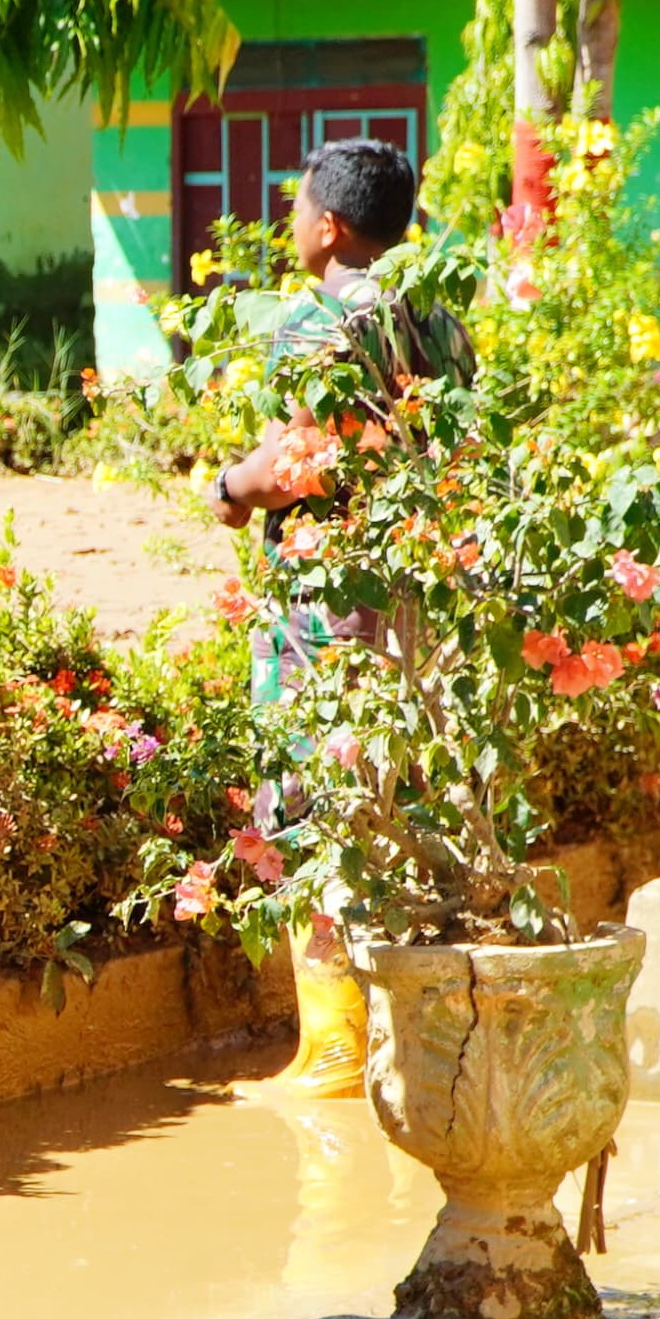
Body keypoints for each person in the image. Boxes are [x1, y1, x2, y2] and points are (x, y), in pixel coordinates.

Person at [208, 135, 471, 1097]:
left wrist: (231, 486)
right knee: (395, 787)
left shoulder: (318, 313)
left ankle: (333, 1048)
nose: (290, 223)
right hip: (413, 593)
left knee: (309, 799)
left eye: (297, 208)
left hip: (326, 603)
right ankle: (410, 1040)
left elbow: (299, 461)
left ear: (329, 226)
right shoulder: (436, 312)